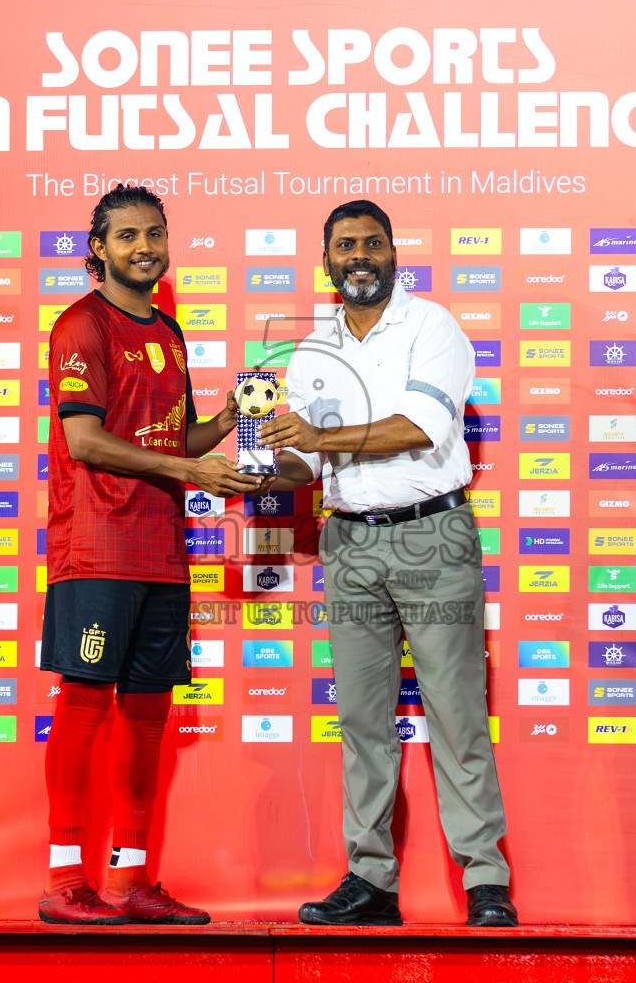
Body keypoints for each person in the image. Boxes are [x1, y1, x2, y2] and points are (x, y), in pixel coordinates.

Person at [257, 199, 517, 927]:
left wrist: (318, 438)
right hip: (350, 543)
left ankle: (485, 879)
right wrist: (260, 468)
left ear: (394, 252)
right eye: (346, 246)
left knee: (458, 715)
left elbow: (423, 426)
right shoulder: (310, 352)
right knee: (363, 722)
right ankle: (370, 880)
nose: (360, 256)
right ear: (326, 259)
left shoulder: (432, 326)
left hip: (433, 538)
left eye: (372, 243)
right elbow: (307, 459)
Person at [40, 184, 262, 925]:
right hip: (97, 546)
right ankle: (66, 879)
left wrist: (230, 421)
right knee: (83, 707)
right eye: (127, 235)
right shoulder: (80, 326)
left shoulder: (168, 331)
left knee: (145, 719)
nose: (145, 247)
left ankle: (131, 880)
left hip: (161, 552)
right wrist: (190, 472)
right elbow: (87, 441)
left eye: (155, 234)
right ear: (98, 248)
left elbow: (177, 440)